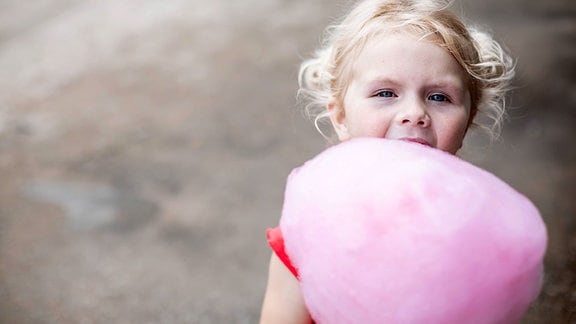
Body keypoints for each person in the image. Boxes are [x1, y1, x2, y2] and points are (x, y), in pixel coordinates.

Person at [260, 0, 516, 322]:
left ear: (469, 118)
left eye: (439, 97)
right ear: (340, 116)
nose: (415, 114)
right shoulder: (306, 235)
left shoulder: (478, 231)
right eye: (385, 93)